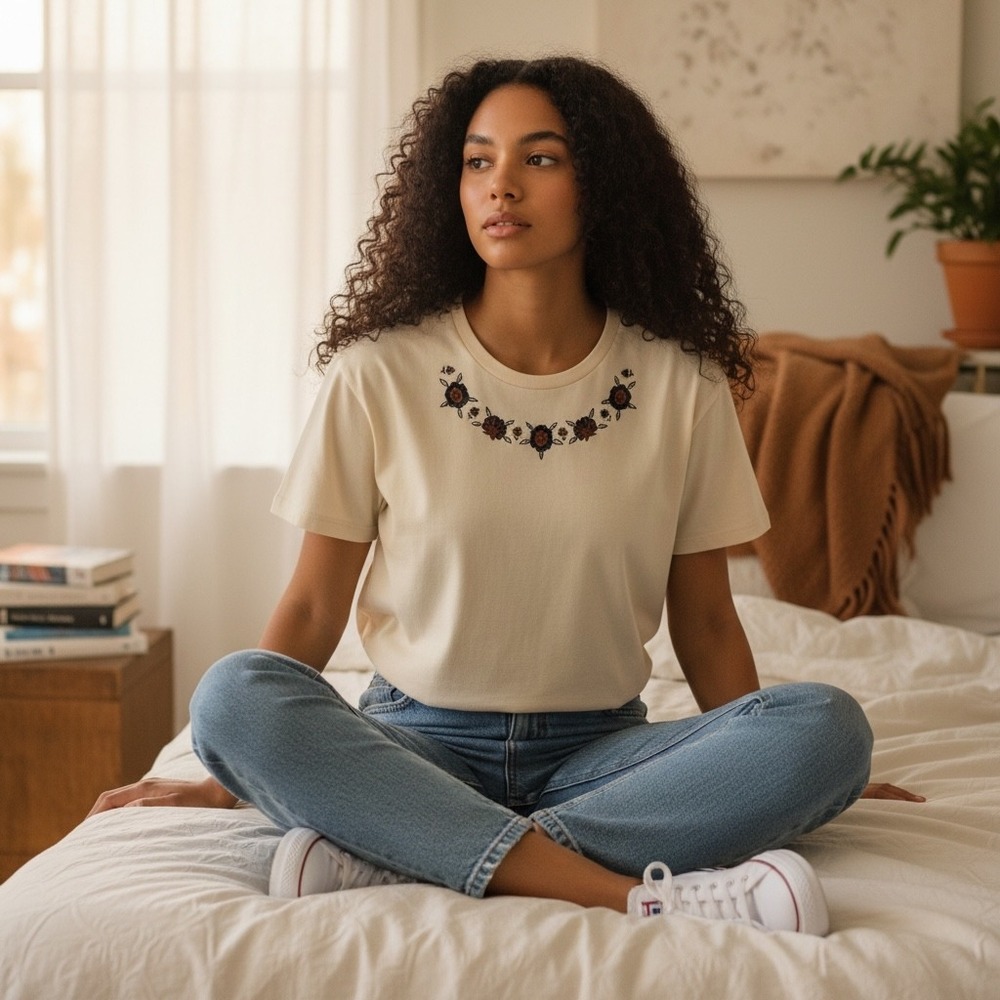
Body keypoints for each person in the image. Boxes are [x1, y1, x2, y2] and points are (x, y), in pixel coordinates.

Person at [89, 55, 922, 934]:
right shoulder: (378, 374)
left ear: (600, 185)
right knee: (232, 696)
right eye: (479, 161)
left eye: (542, 159)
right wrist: (233, 774)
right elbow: (310, 603)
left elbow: (707, 620)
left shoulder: (683, 383)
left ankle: (396, 846)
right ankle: (615, 889)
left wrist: (760, 759)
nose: (502, 187)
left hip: (602, 754)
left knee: (827, 728)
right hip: (412, 744)